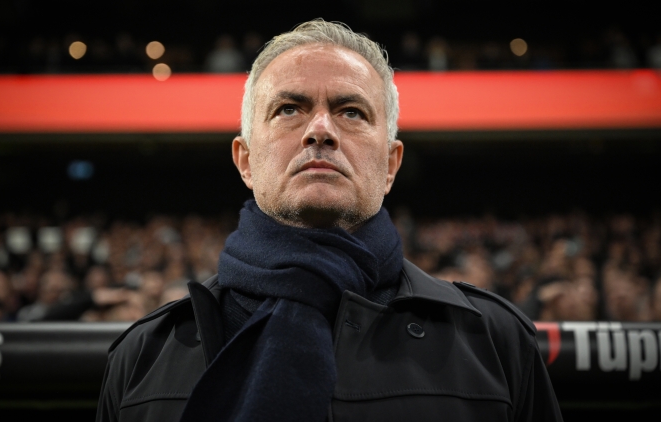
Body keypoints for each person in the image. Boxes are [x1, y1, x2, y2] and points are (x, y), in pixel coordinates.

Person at [97, 20, 562, 422]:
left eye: (351, 112)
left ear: (390, 166)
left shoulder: (496, 342)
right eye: (289, 109)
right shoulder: (141, 358)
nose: (320, 129)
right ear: (245, 161)